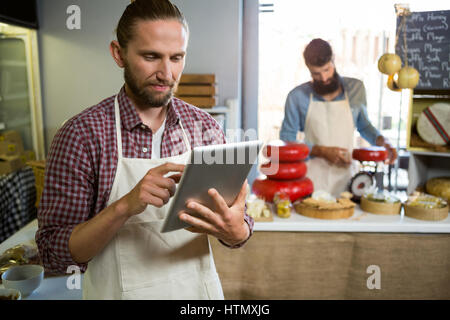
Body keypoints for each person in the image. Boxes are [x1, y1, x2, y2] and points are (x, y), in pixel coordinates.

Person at [36, 0, 253, 300]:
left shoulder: (205, 128)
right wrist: (125, 206)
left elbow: (240, 229)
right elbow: (53, 254)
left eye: (177, 57)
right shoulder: (81, 136)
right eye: (151, 56)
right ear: (118, 53)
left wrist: (235, 231)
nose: (167, 73)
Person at [280, 38, 397, 196]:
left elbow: (364, 126)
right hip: (310, 182)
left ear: (333, 61)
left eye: (327, 70)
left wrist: (384, 142)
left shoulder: (356, 89)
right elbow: (287, 140)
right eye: (316, 73)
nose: (323, 78)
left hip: (347, 181)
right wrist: (320, 151)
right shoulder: (297, 96)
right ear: (308, 69)